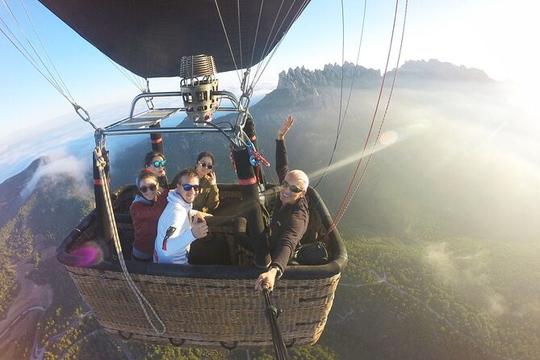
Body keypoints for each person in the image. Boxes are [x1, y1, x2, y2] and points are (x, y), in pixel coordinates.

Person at [255, 116, 309, 292]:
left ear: (302, 194)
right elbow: (282, 167)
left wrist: (273, 271)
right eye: (285, 184)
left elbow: (289, 241)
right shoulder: (287, 189)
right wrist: (280, 138)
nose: (286, 190)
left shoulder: (298, 217)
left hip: (277, 252)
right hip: (272, 235)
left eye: (294, 189)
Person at [154, 168, 210, 264]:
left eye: (196, 187)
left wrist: (196, 213)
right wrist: (193, 234)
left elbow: (185, 211)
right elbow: (166, 249)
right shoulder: (176, 213)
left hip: (162, 260)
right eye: (187, 187)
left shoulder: (179, 201)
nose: (192, 191)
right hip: (172, 269)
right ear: (178, 187)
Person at [129, 170, 168, 261]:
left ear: (157, 186)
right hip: (142, 254)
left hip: (157, 250)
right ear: (139, 190)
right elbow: (156, 212)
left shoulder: (156, 200)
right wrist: (165, 192)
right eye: (144, 189)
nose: (149, 191)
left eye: (152, 187)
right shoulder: (135, 207)